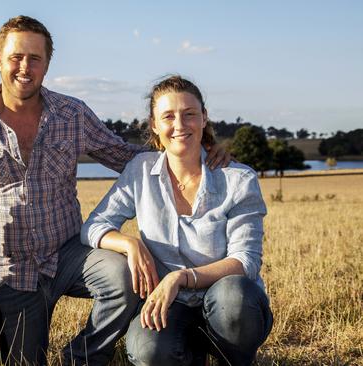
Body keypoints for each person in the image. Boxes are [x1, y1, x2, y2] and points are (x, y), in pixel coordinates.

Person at [0, 16, 230, 365]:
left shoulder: (72, 114)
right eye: (16, 57)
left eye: (35, 58)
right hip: (9, 272)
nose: (25, 67)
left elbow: (125, 156)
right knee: (23, 362)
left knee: (126, 275)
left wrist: (195, 149)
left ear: (47, 64)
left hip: (69, 253)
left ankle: (81, 357)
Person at [81, 75, 273, 365]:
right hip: (170, 305)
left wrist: (180, 277)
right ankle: (190, 352)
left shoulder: (239, 179)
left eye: (189, 114)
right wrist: (129, 244)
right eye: (168, 116)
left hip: (226, 305)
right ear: (155, 125)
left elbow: (245, 261)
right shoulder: (140, 170)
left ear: (204, 118)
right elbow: (93, 226)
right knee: (148, 351)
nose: (180, 125)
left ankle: (232, 357)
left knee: (234, 296)